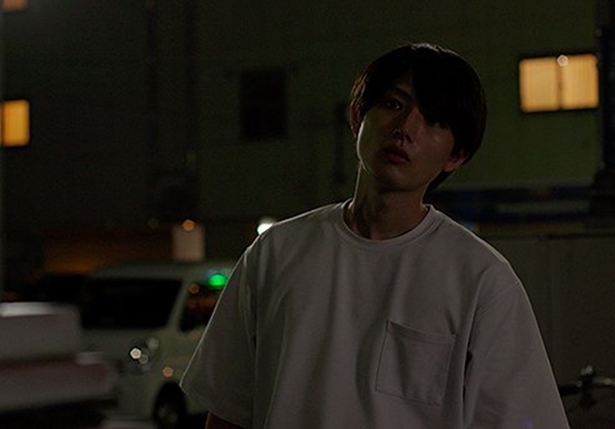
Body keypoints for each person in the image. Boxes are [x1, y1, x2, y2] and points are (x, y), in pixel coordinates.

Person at [180, 42, 570, 429]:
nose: (405, 129)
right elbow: (228, 412)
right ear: (357, 116)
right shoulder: (275, 253)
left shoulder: (481, 280)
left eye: (434, 120)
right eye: (393, 104)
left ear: (456, 156)